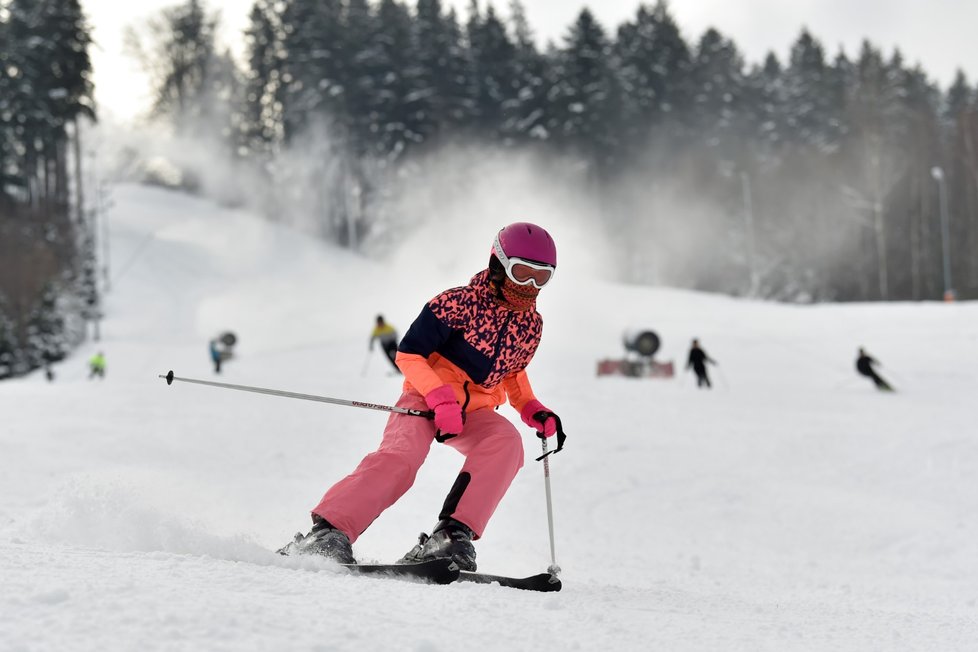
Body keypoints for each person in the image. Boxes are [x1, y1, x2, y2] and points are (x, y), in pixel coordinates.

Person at [280, 222, 566, 571]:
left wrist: (531, 407)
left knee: (506, 442)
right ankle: (327, 532)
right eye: (522, 273)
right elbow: (409, 354)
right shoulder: (457, 303)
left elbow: (512, 372)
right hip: (423, 398)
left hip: (473, 411)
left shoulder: (530, 324)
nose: (530, 286)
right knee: (403, 458)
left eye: (542, 277)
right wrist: (440, 397)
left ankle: (450, 537)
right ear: (498, 264)